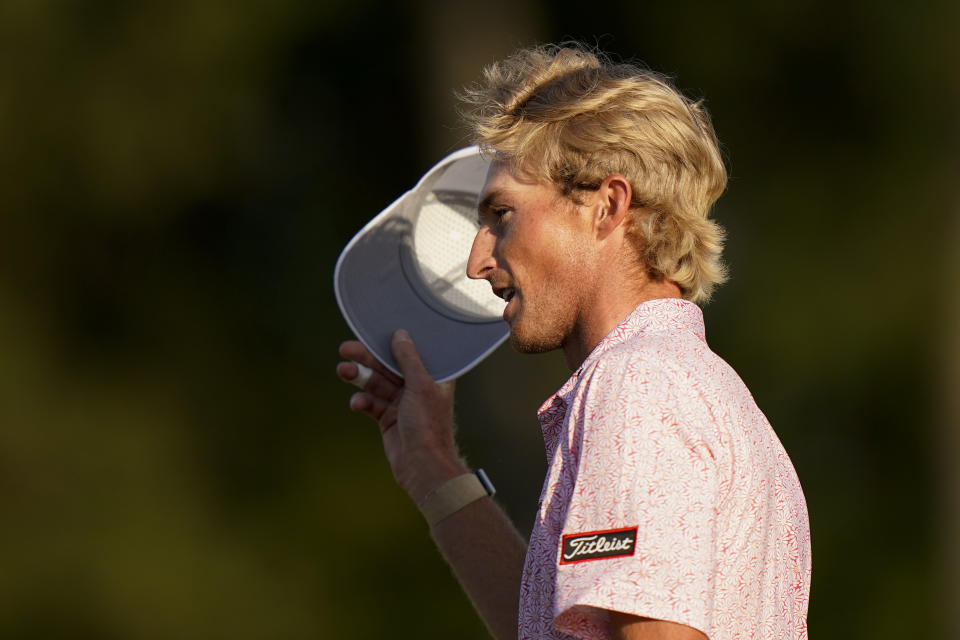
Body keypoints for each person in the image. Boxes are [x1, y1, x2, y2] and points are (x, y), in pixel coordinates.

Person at [336, 43, 811, 640]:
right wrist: (432, 463)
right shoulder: (687, 383)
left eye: (501, 214)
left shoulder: (637, 387)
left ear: (607, 207)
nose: (477, 261)